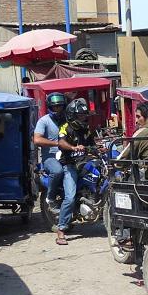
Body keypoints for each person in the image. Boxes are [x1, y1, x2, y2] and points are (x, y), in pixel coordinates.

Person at [54, 99, 98, 245]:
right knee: (70, 197)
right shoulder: (65, 127)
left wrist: (99, 148)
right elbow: (61, 142)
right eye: (80, 115)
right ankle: (61, 230)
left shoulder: (86, 129)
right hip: (70, 165)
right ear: (72, 115)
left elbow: (92, 144)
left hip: (84, 163)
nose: (83, 117)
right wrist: (73, 147)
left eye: (84, 115)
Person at [33, 92, 69, 233]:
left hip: (68, 155)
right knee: (57, 171)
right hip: (50, 157)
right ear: (50, 107)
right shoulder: (44, 121)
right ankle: (51, 198)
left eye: (60, 106)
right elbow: (37, 139)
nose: (58, 109)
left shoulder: (67, 119)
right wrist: (56, 143)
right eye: (55, 107)